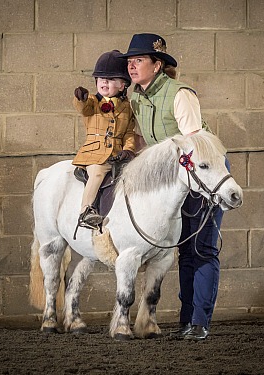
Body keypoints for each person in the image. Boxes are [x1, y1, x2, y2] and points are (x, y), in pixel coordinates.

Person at [121, 33, 230, 340]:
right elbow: (146, 139)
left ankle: (199, 321)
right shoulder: (136, 97)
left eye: (139, 60)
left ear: (157, 65)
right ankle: (186, 321)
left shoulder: (180, 93)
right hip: (174, 178)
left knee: (202, 248)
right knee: (182, 248)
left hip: (203, 172)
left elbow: (195, 143)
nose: (132, 67)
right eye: (130, 62)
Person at [72, 50, 136, 229]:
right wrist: (80, 98)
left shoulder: (127, 108)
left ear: (123, 85)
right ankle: (85, 212)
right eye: (101, 79)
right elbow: (83, 108)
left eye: (111, 79)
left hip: (117, 155)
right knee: (98, 172)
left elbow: (129, 132)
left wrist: (129, 150)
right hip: (94, 154)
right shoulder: (92, 101)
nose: (105, 82)